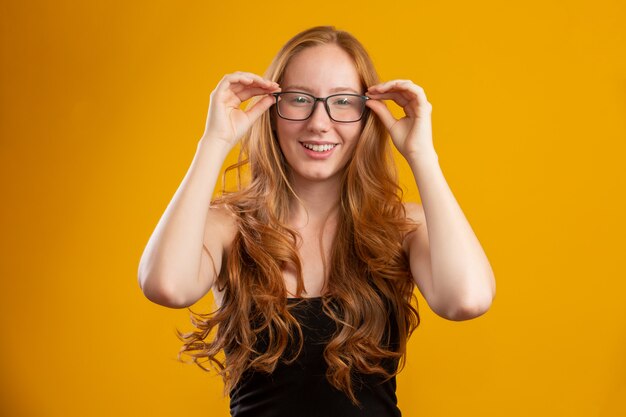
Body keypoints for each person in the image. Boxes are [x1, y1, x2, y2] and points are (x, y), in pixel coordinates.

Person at [137, 26, 496, 417]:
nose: (319, 122)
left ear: (367, 113)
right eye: (299, 99)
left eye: (342, 101)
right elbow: (166, 286)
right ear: (271, 110)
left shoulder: (401, 227)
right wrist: (215, 142)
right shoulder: (229, 227)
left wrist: (421, 154)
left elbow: (466, 300)